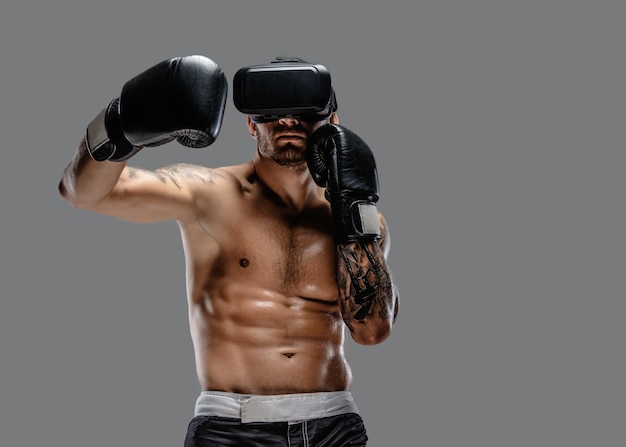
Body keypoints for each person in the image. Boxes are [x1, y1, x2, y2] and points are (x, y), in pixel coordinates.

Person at [59, 54, 399, 447]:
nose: (288, 121)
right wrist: (120, 124)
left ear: (331, 124)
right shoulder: (208, 192)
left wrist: (353, 210)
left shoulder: (359, 218)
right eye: (271, 112)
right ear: (251, 124)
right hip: (230, 427)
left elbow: (373, 330)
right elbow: (80, 192)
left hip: (334, 425)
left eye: (303, 111)